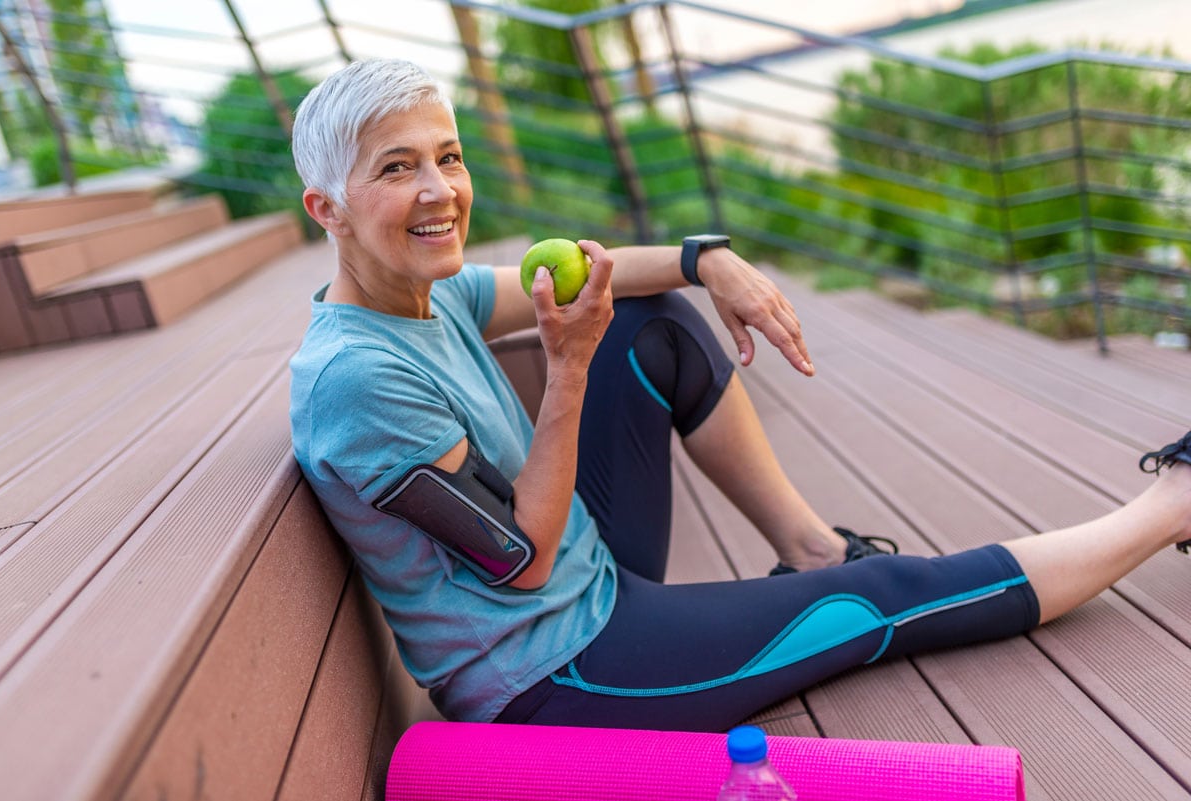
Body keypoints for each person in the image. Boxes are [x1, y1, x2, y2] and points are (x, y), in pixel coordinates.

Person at [288, 58, 1191, 732]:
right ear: (325, 206)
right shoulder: (359, 382)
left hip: (587, 573)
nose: (440, 189)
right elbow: (522, 558)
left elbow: (606, 271)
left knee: (652, 319)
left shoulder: (425, 288)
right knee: (878, 599)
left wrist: (705, 259)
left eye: (448, 156)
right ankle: (1170, 505)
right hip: (558, 677)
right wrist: (565, 371)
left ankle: (809, 547)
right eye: (397, 169)